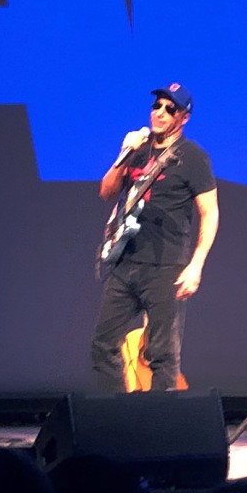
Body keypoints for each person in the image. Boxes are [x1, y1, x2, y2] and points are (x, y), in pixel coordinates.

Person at [91, 82, 219, 391]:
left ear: (183, 117)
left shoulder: (193, 158)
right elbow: (106, 192)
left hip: (165, 269)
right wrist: (123, 154)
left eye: (169, 109)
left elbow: (210, 212)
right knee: (103, 345)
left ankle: (160, 429)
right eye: (156, 106)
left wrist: (196, 265)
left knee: (162, 355)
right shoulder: (138, 150)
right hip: (125, 265)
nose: (159, 113)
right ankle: (119, 420)